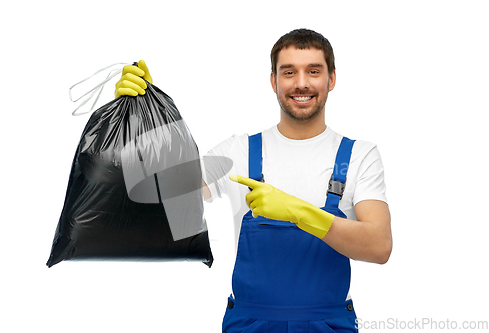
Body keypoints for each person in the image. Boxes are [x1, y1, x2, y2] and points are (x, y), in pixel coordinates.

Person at [115, 28, 392, 333]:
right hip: (250, 324)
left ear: (332, 79)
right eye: (289, 72)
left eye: (313, 71)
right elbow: (157, 197)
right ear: (274, 81)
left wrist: (297, 211)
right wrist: (138, 118)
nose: (301, 83)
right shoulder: (238, 151)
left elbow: (379, 246)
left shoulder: (359, 156)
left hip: (328, 324)